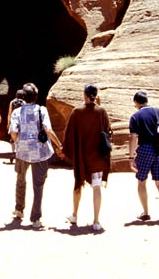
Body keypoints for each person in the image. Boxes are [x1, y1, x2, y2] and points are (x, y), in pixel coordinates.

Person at [9, 83, 64, 229]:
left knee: (20, 180)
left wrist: (19, 143)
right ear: (36, 96)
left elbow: (13, 132)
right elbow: (48, 129)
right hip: (40, 152)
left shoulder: (17, 112)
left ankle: (19, 209)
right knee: (38, 185)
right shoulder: (42, 110)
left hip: (22, 153)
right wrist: (59, 145)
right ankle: (35, 218)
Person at [63, 83, 111, 232]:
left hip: (81, 156)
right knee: (96, 187)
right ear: (96, 95)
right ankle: (96, 221)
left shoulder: (77, 112)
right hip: (97, 157)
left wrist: (64, 150)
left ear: (84, 95)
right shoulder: (102, 111)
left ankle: (75, 215)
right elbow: (108, 131)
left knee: (78, 183)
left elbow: (69, 134)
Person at [128, 90, 159, 225]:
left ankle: (146, 212)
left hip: (145, 149)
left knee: (142, 181)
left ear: (136, 102)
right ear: (146, 100)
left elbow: (133, 137)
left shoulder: (135, 116)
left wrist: (131, 157)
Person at [6, 89, 25, 164]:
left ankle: (13, 152)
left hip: (14, 122)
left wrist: (8, 123)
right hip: (22, 122)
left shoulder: (12, 102)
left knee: (13, 139)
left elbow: (9, 113)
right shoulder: (24, 102)